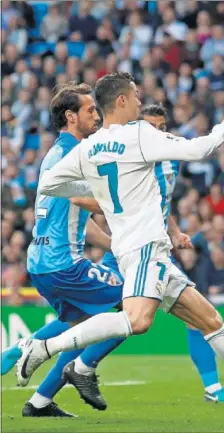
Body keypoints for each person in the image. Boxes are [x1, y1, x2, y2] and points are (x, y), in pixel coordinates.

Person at [16, 72, 224, 409]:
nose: (141, 102)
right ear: (122, 101)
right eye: (136, 95)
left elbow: (49, 184)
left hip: (141, 249)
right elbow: (197, 149)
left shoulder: (89, 148)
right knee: (136, 321)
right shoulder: (139, 134)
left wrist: (101, 196)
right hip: (144, 249)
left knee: (211, 322)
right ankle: (43, 349)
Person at [9, 82, 127, 418]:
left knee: (82, 327)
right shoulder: (78, 155)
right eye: (90, 109)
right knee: (130, 308)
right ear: (70, 116)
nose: (96, 114)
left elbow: (76, 218)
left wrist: (114, 242)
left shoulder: (56, 155)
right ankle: (75, 367)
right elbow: (86, 200)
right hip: (63, 263)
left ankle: (39, 402)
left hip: (43, 262)